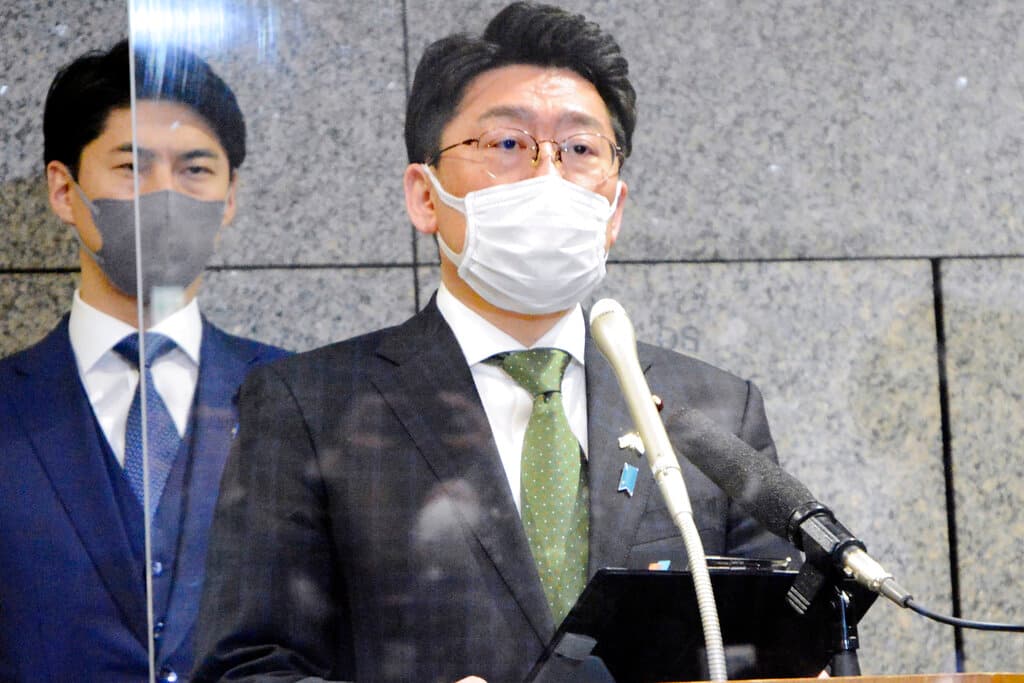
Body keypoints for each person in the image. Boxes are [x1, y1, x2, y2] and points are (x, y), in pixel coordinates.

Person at [194, 3, 796, 682]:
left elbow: (779, 656)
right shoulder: (311, 408)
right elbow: (249, 666)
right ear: (425, 196)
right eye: (508, 143)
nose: (548, 176)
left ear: (614, 211)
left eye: (580, 149)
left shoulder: (715, 413)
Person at [0, 40, 287, 683]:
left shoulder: (300, 395)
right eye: (133, 167)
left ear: (230, 198)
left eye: (195, 169)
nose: (165, 195)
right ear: (63, 189)